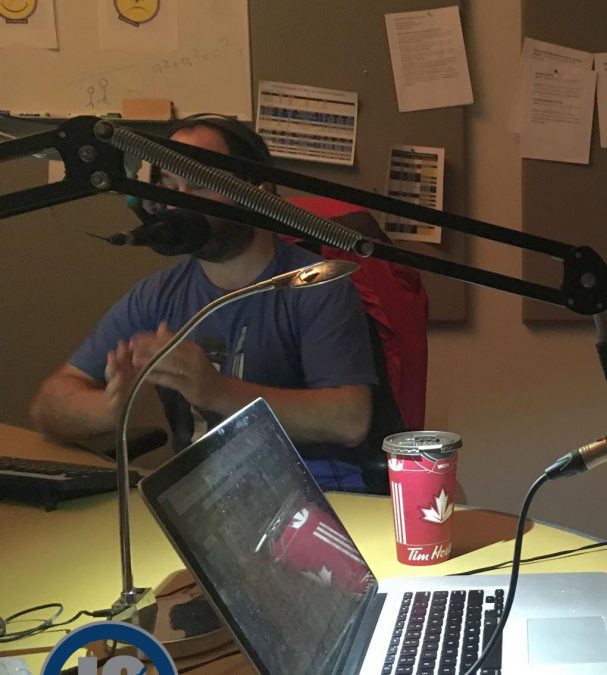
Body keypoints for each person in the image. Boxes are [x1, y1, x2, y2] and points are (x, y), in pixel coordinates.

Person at [29, 116, 379, 491]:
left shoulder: (316, 285)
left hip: (309, 492)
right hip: (202, 501)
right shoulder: (157, 296)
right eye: (169, 186)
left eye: (198, 185)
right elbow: (48, 403)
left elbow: (350, 419)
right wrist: (110, 408)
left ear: (257, 193)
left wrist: (217, 391)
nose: (179, 203)